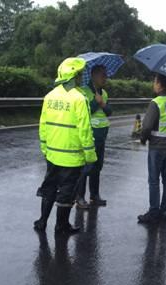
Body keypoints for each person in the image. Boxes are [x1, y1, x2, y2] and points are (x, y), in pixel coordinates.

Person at [34, 57, 97, 234]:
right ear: (74, 76)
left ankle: (42, 221)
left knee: (49, 187)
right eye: (80, 74)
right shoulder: (79, 98)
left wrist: (45, 149)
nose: (81, 77)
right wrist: (90, 156)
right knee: (67, 192)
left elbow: (43, 125)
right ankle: (61, 226)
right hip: (72, 157)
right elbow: (85, 130)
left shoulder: (50, 96)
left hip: (52, 155)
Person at [137, 74, 166, 224]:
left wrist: (143, 139)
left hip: (157, 146)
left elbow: (147, 126)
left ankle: (153, 211)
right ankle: (165, 210)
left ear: (160, 85)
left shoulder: (156, 103)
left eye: (154, 82)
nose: (153, 84)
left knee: (154, 180)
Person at [76, 65, 111, 208]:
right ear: (94, 75)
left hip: (102, 135)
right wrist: (95, 102)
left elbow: (109, 112)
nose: (105, 78)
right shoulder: (84, 92)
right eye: (102, 75)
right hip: (89, 135)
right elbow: (84, 112)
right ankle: (79, 197)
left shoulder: (104, 93)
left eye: (106, 75)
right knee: (86, 167)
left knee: (97, 166)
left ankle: (94, 196)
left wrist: (102, 103)